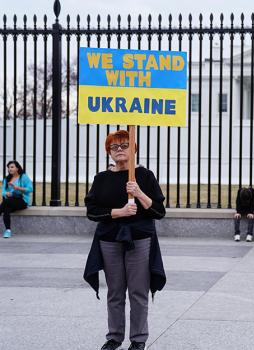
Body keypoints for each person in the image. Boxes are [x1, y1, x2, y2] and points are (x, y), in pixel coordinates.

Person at [83, 130, 166, 350]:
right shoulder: (101, 178)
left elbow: (159, 211)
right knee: (115, 291)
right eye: (114, 147)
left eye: (124, 145)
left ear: (134, 149)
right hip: (110, 239)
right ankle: (114, 337)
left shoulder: (145, 176)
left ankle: (138, 340)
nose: (119, 150)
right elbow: (92, 211)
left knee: (138, 291)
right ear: (109, 152)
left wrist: (139, 193)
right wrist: (118, 212)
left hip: (139, 239)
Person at [1, 160, 33, 238]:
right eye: (8, 167)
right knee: (6, 209)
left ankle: (8, 231)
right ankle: (8, 230)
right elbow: (3, 192)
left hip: (22, 200)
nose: (10, 169)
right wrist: (6, 194)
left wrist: (17, 188)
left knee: (6, 203)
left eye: (12, 167)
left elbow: (30, 189)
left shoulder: (23, 177)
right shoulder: (7, 179)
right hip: (10, 201)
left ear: (17, 168)